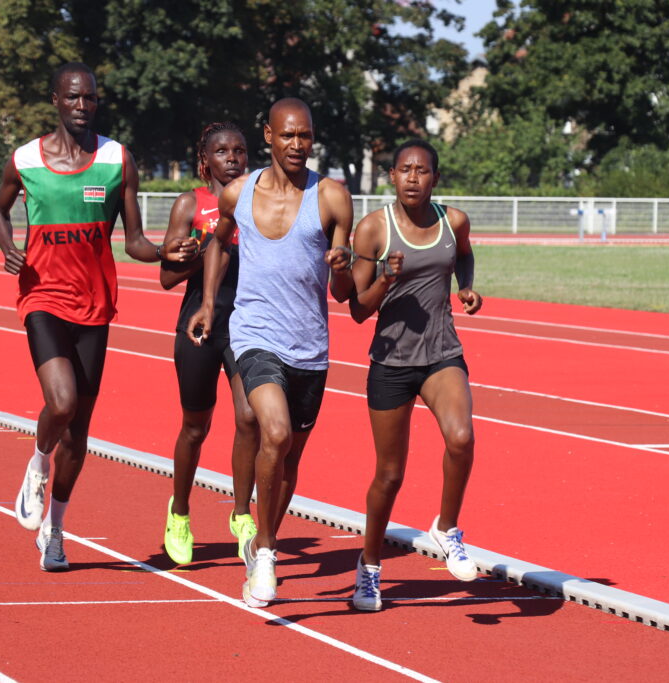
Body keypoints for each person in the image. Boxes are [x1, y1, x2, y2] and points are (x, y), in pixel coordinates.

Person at [0, 62, 194, 572]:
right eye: (74, 98)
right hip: (42, 296)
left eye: (91, 99)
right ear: (55, 100)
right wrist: (8, 246)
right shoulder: (26, 159)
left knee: (79, 433)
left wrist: (172, 254)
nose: (83, 106)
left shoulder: (116, 159)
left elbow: (136, 242)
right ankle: (37, 464)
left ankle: (54, 530)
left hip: (95, 305)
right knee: (58, 403)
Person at [187, 98, 354, 607]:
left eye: (305, 136)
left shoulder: (331, 196)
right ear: (269, 136)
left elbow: (344, 292)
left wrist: (342, 264)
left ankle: (266, 539)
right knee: (273, 433)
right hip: (255, 334)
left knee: (290, 457)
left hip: (311, 347)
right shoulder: (239, 192)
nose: (297, 145)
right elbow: (217, 243)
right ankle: (264, 554)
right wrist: (211, 305)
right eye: (288, 136)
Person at [347, 138, 483, 611]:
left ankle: (447, 529)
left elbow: (463, 253)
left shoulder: (454, 221)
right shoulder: (372, 230)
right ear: (391, 176)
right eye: (404, 169)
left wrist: (465, 287)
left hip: (442, 353)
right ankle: (368, 569)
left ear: (435, 178)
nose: (412, 178)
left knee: (461, 438)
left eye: (421, 171)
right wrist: (387, 278)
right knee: (389, 475)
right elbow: (356, 310)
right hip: (390, 362)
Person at [159, 122, 260, 565]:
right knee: (196, 427)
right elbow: (165, 276)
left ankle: (242, 516)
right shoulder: (190, 204)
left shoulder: (259, 201)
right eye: (222, 151)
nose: (232, 158)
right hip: (198, 324)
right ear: (206, 160)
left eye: (239, 150)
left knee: (250, 417)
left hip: (250, 323)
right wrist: (202, 248)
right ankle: (179, 512)